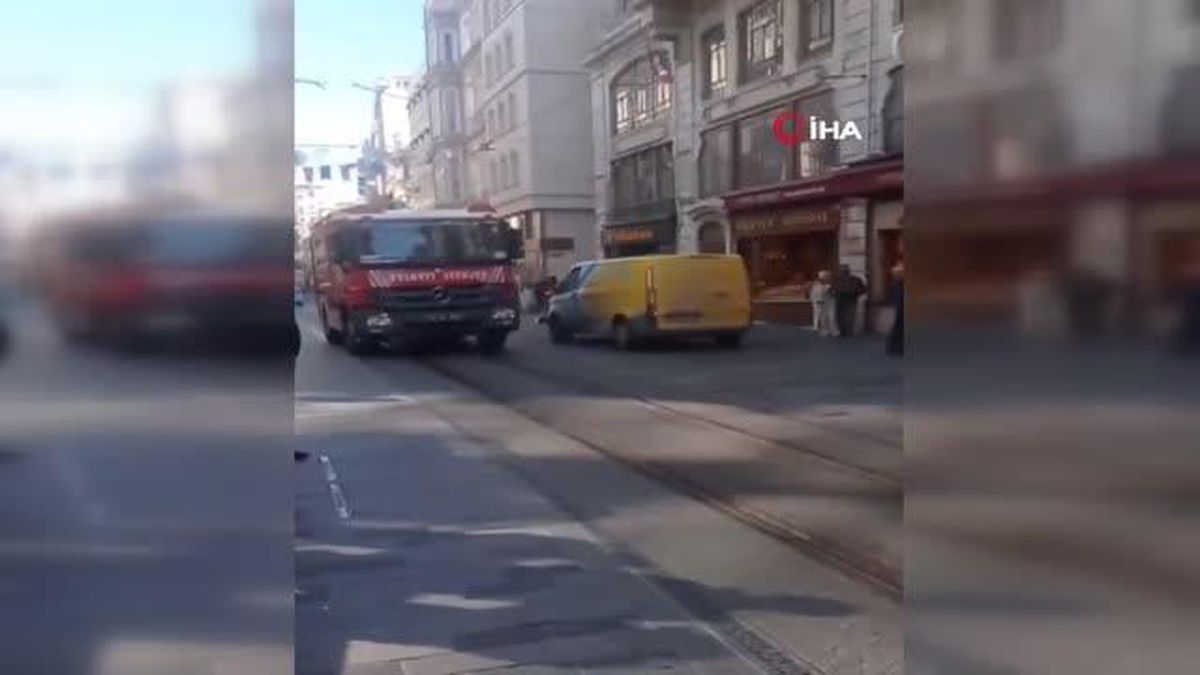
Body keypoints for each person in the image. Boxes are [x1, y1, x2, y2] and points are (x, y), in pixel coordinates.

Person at [831, 264, 866, 339]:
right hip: (849, 299)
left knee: (843, 316)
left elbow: (832, 290)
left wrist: (834, 293)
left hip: (844, 299)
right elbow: (863, 289)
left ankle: (844, 331)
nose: (843, 272)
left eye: (843, 270)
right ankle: (847, 331)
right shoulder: (855, 279)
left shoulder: (837, 279)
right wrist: (857, 293)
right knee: (848, 315)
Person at [809, 270, 836, 337]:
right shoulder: (817, 285)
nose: (827, 278)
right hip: (823, 303)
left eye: (827, 276)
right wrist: (818, 300)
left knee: (831, 316)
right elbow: (815, 294)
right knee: (824, 317)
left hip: (830, 302)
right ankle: (825, 330)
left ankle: (832, 330)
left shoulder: (831, 284)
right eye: (825, 277)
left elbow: (833, 293)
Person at [886, 263, 904, 356]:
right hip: (900, 310)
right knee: (898, 328)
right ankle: (894, 348)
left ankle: (894, 347)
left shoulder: (896, 285)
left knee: (897, 328)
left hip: (900, 309)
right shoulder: (898, 285)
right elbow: (898, 299)